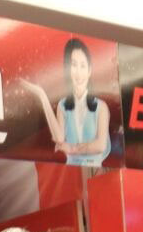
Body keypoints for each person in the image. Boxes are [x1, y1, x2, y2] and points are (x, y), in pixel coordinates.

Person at [22, 37, 111, 167]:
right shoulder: (62, 106)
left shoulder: (101, 107)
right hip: (70, 170)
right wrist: (42, 95)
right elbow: (59, 138)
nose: (78, 73)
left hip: (96, 168)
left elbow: (101, 145)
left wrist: (72, 149)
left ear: (89, 70)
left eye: (82, 66)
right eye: (73, 65)